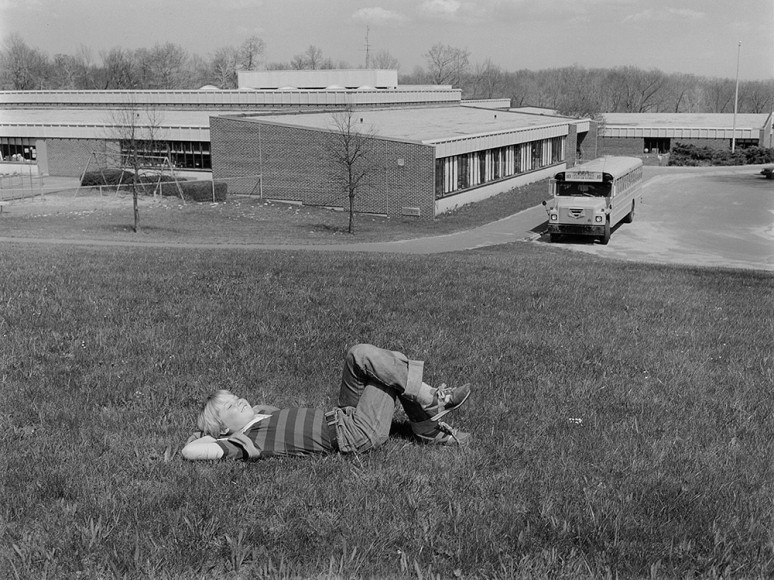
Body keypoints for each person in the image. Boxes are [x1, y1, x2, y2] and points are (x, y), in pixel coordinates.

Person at [182, 344, 471, 461]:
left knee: (361, 355)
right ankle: (429, 407)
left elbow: (244, 410)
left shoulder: (260, 414)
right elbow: (189, 452)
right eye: (231, 407)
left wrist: (228, 417)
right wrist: (205, 434)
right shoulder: (245, 442)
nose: (240, 401)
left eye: (235, 397)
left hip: (344, 413)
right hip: (355, 432)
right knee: (391, 364)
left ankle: (426, 415)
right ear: (222, 431)